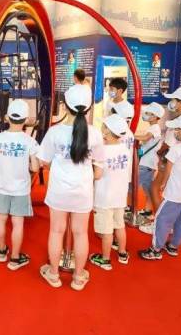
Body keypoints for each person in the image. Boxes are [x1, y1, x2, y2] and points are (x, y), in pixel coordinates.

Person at [37, 85, 104, 291]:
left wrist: (58, 168)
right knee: (81, 233)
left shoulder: (54, 132)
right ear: (89, 108)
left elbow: (43, 161)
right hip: (83, 192)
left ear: (64, 106)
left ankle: (53, 274)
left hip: (59, 191)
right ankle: (78, 277)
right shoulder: (95, 134)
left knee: (56, 231)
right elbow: (99, 172)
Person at [0, 100, 40, 271]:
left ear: (7, 118)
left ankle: (1, 251)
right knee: (18, 223)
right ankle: (15, 258)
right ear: (26, 120)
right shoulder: (29, 141)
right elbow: (35, 167)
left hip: (2, 187)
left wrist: (2, 165)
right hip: (21, 190)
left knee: (1, 219)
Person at [139, 114, 181, 261]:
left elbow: (168, 169)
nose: (175, 132)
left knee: (162, 219)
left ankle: (155, 249)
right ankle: (173, 246)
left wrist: (162, 183)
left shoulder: (176, 149)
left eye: (177, 129)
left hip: (173, 194)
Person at [90, 114, 132, 271]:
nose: (102, 128)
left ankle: (105, 259)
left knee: (107, 230)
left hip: (104, 197)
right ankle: (122, 253)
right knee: (119, 225)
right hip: (120, 196)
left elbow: (97, 175)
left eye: (104, 126)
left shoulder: (102, 151)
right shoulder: (125, 150)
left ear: (107, 131)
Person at [150, 87, 181, 216]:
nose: (171, 102)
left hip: (169, 160)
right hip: (180, 164)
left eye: (174, 100)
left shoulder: (179, 122)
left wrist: (160, 156)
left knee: (155, 188)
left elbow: (168, 144)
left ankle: (160, 220)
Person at [134, 102, 165, 225]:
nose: (145, 115)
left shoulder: (155, 128)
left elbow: (146, 138)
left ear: (155, 116)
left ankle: (130, 209)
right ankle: (147, 211)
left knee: (133, 187)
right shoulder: (153, 127)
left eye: (149, 113)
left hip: (146, 164)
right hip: (148, 163)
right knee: (148, 189)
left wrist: (130, 136)